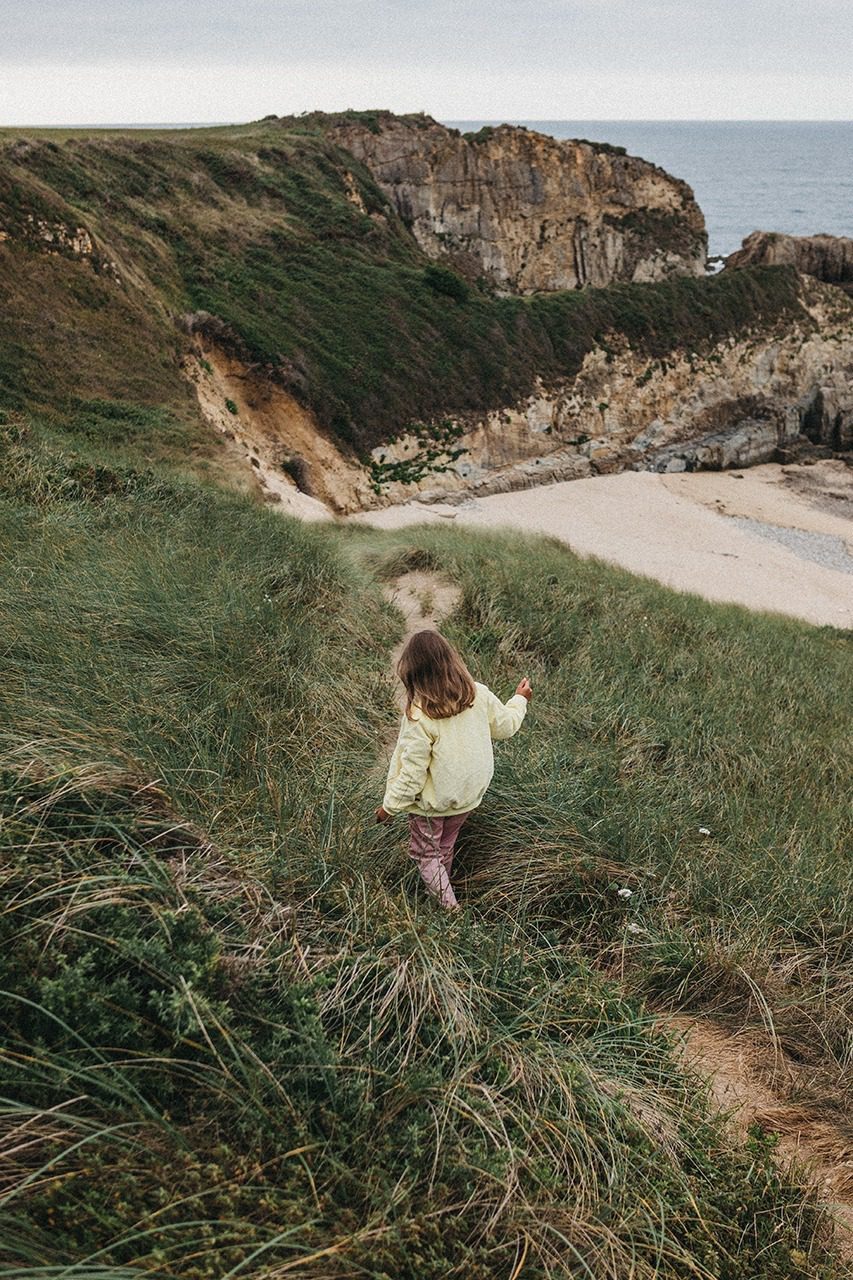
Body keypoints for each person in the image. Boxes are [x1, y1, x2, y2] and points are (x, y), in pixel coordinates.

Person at [376, 629, 532, 910]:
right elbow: (506, 726)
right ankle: (442, 887)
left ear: (414, 675)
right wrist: (520, 699)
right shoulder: (477, 694)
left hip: (432, 804)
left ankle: (450, 910)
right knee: (443, 848)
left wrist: (389, 807)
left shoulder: (420, 716)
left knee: (426, 855)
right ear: (452, 661)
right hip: (467, 796)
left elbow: (412, 775)